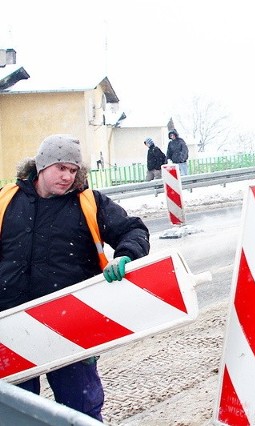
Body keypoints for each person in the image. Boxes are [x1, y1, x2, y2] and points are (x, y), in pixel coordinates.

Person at [0, 134, 150, 421]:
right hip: (11, 323)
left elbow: (133, 230)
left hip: (70, 322)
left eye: (73, 170)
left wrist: (126, 254)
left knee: (81, 410)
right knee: (14, 412)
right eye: (61, 168)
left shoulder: (88, 202)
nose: (68, 176)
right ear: (42, 165)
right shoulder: (7, 199)